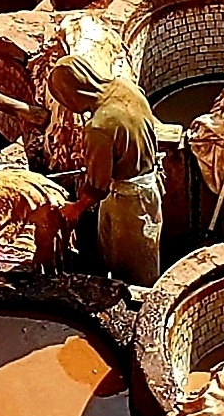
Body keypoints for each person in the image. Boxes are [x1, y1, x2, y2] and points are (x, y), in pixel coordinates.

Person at [47, 55, 163, 286]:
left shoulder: (99, 127)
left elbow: (98, 187)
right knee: (118, 247)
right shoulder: (124, 87)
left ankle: (136, 307)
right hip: (147, 185)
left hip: (129, 201)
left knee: (132, 263)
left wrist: (76, 209)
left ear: (70, 95)